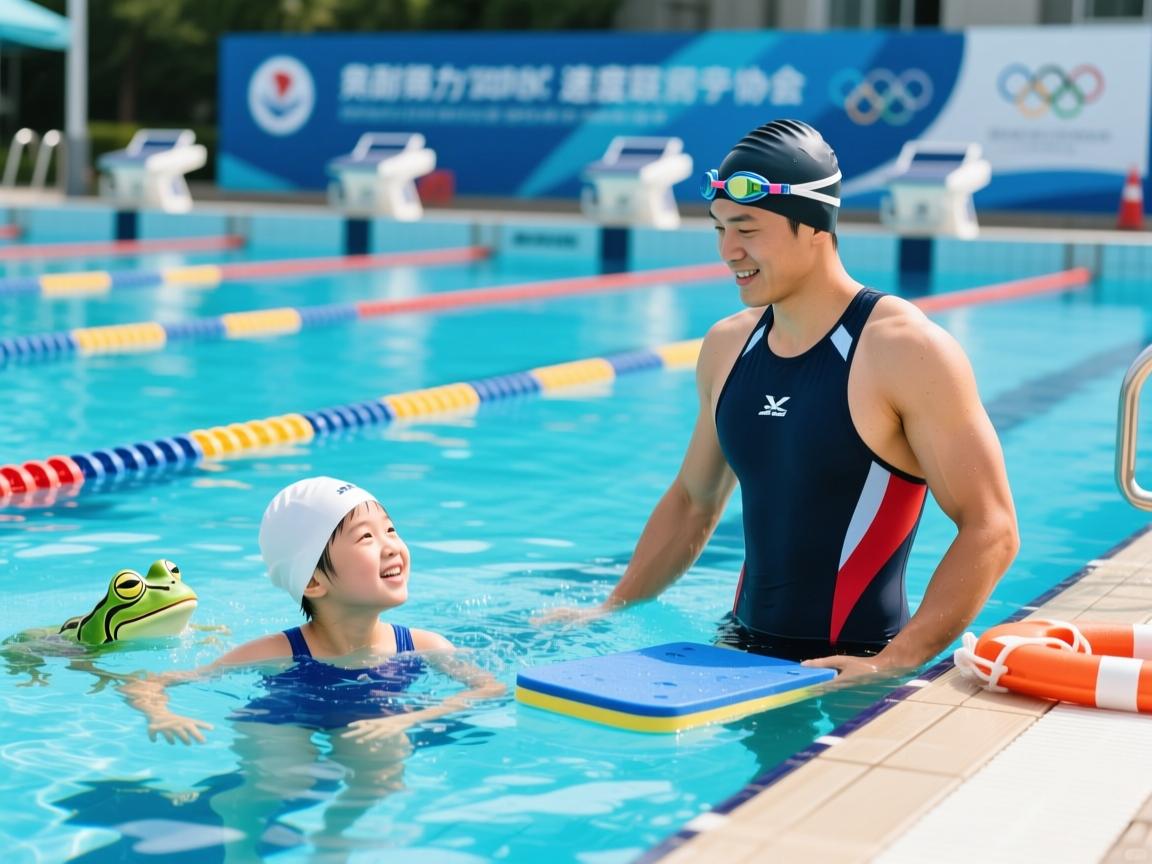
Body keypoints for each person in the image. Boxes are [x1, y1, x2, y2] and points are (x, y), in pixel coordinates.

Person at [543, 119, 1019, 682]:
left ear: (814, 225)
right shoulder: (728, 346)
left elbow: (991, 526)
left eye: (746, 228)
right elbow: (694, 500)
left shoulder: (902, 348)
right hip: (736, 646)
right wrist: (612, 608)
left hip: (853, 665)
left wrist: (897, 661)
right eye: (719, 229)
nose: (728, 250)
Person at [121, 475, 504, 858]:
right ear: (315, 581)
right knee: (287, 779)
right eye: (366, 538)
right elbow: (151, 682)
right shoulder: (277, 651)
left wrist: (405, 720)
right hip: (282, 714)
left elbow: (489, 689)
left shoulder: (423, 646)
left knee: (384, 772)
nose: (390, 546)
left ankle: (331, 843)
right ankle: (241, 812)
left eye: (390, 529)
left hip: (375, 717)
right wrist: (161, 715)